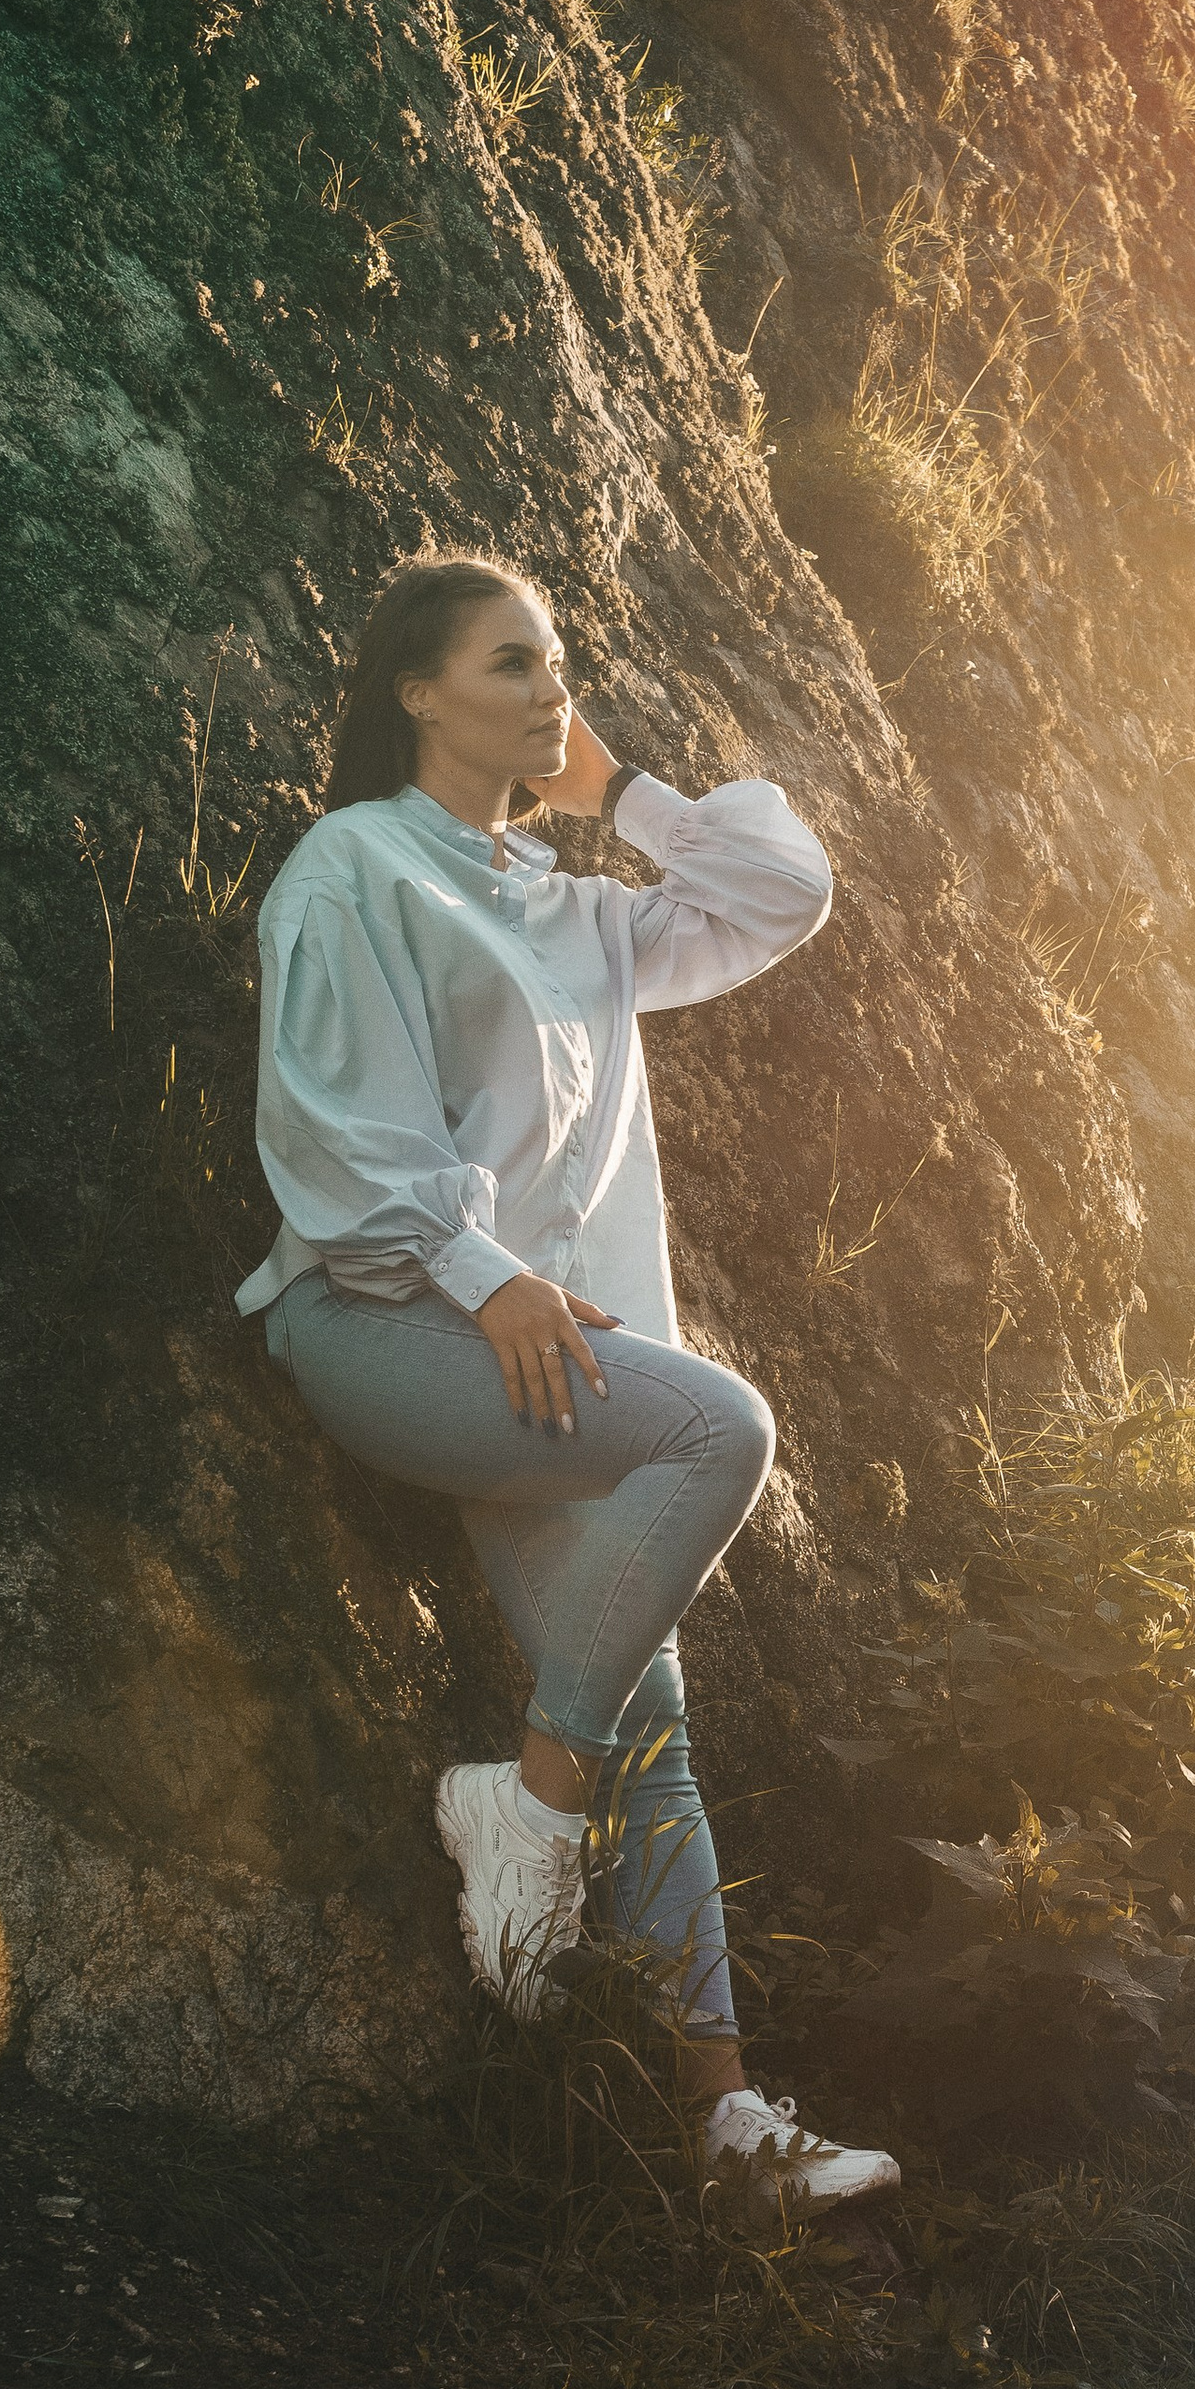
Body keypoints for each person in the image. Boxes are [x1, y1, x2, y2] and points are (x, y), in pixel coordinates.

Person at [236, 554, 898, 2214]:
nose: (550, 691)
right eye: (512, 664)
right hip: (389, 1323)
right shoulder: (352, 867)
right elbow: (339, 1138)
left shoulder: (580, 910)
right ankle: (524, 1805)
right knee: (725, 1422)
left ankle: (721, 2125)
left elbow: (786, 891)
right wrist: (494, 1278)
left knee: (645, 1717)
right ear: (416, 691)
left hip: (552, 1366)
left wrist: (617, 791)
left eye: (558, 665)